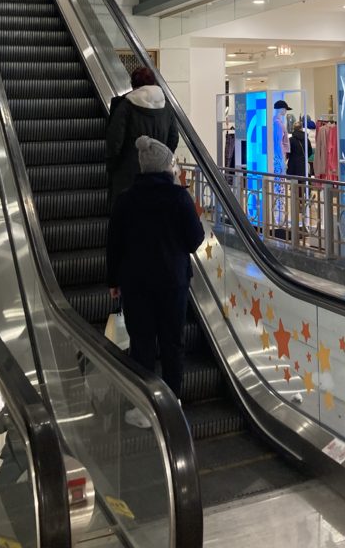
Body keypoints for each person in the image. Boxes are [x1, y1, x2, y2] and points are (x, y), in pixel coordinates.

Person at [107, 135, 205, 427]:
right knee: (173, 343)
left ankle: (144, 407)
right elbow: (195, 240)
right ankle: (172, 401)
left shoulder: (126, 200)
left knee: (142, 344)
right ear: (166, 167)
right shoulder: (178, 197)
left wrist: (114, 280)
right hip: (172, 283)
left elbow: (115, 244)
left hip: (136, 285)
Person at [106, 66, 179, 208]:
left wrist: (112, 167)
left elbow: (114, 143)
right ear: (153, 83)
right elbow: (173, 138)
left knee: (129, 220)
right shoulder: (167, 107)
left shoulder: (125, 107)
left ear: (133, 85)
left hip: (128, 177)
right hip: (159, 176)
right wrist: (161, 161)